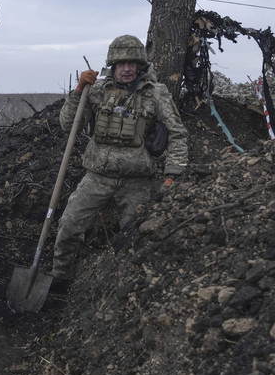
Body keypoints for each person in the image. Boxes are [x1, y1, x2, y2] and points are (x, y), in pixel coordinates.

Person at [49, 35, 188, 293]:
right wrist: (79, 90)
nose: (126, 68)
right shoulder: (97, 90)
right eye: (121, 63)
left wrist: (173, 174)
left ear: (140, 65)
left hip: (137, 182)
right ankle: (60, 280)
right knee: (68, 225)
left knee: (138, 236)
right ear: (112, 65)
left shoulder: (155, 93)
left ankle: (131, 286)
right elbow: (68, 125)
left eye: (132, 63)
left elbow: (177, 133)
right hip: (97, 177)